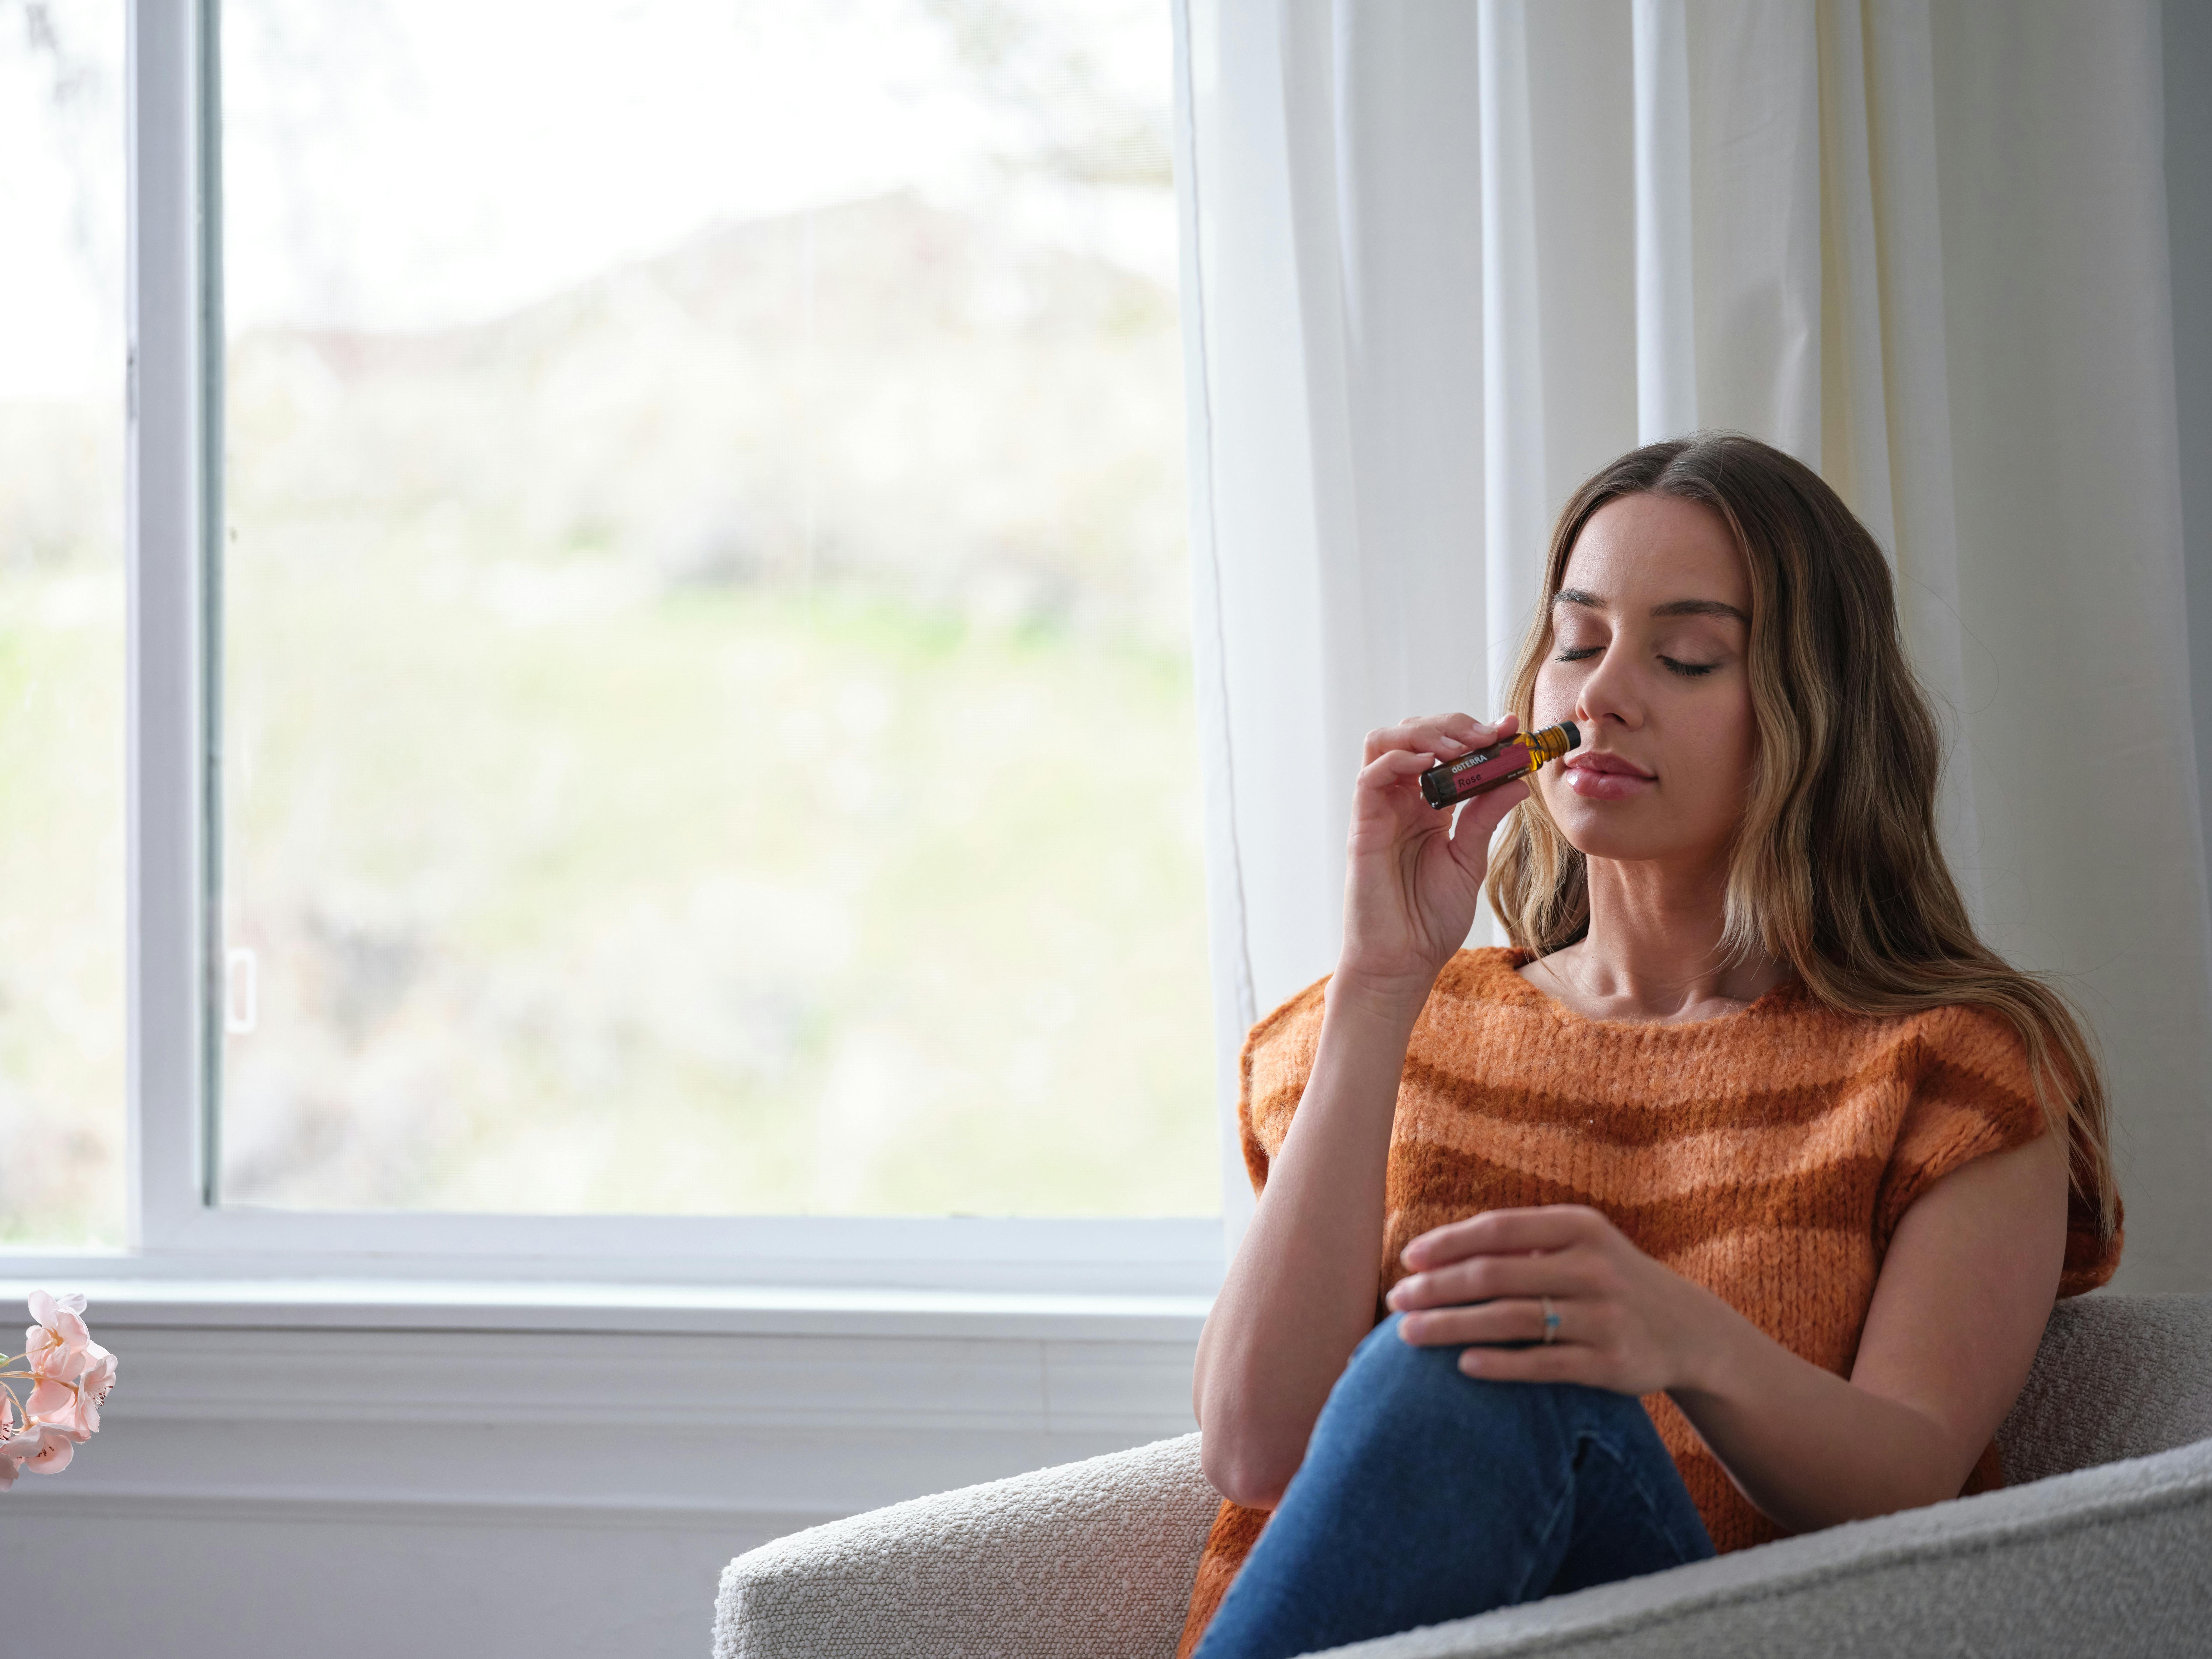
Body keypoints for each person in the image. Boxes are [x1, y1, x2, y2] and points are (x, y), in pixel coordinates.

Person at [1180, 434, 2121, 1659]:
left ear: (1810, 713)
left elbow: (1912, 1482)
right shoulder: (1383, 1025)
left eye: (1684, 656)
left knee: (1493, 1350)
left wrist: (1678, 1337)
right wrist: (1377, 982)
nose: (1600, 695)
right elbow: (1252, 1448)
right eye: (1576, 643)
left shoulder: (1958, 1072)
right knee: (1483, 1349)